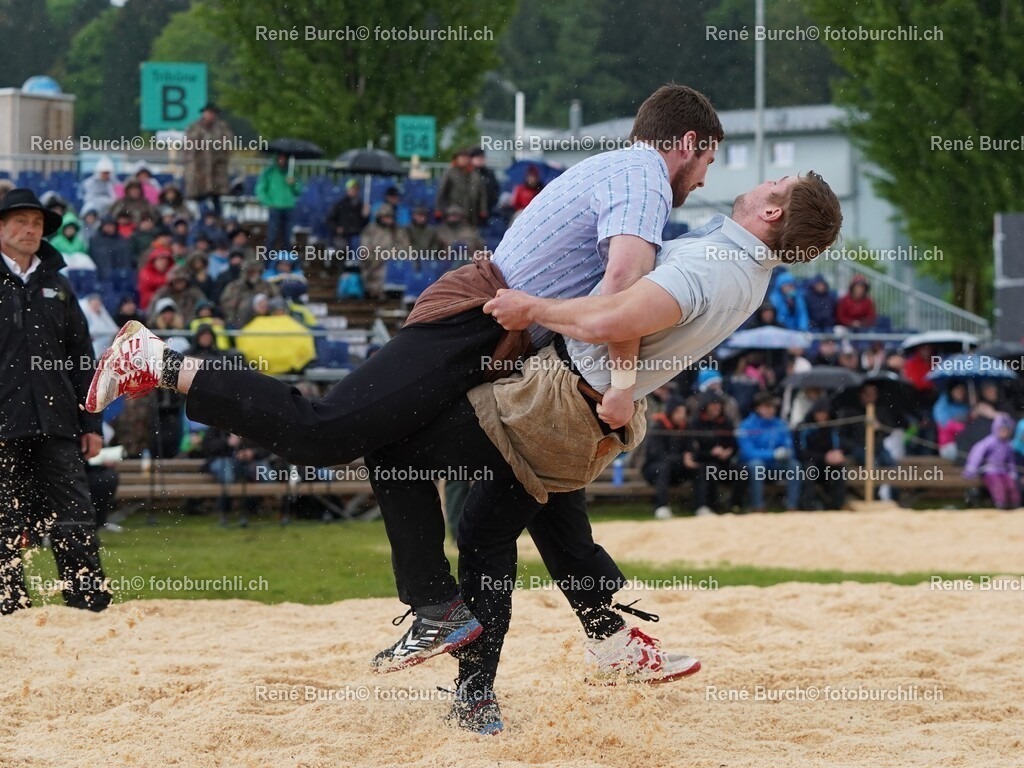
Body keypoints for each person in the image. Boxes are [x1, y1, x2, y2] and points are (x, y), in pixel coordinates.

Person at [87, 168, 842, 732]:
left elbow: (621, 310)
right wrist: (620, 382)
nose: (739, 178)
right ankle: (561, 659)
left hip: (553, 406)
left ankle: (168, 364)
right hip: (585, 416)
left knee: (383, 445)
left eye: (774, 180)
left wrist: (534, 307)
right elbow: (631, 307)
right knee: (488, 530)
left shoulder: (717, 263)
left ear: (773, 211)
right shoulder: (744, 268)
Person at [0, 189, 111, 614]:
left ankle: (88, 603)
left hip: (58, 422)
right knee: (4, 519)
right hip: (4, 424)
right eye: (21, 221)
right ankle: (9, 608)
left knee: (75, 515)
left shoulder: (58, 285)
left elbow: (84, 359)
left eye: (38, 224)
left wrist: (92, 423)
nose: (31, 230)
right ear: (2, 226)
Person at [737, 392, 802, 512]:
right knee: (757, 466)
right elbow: (748, 453)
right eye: (767, 406)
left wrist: (786, 451)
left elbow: (788, 444)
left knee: (795, 466)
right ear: (758, 408)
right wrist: (772, 454)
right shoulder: (746, 425)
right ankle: (757, 507)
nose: (771, 410)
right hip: (752, 465)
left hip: (776, 464)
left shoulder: (780, 424)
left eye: (772, 407)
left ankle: (792, 506)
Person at [685, 391, 737, 516]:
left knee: (743, 471)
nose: (717, 408)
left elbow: (733, 444)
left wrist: (728, 451)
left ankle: (735, 505)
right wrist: (710, 453)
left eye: (719, 405)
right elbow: (693, 449)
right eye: (713, 405)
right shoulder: (695, 422)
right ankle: (704, 506)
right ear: (706, 406)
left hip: (724, 462)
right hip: (703, 462)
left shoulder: (726, 422)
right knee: (709, 470)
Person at [641, 399, 694, 519]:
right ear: (671, 412)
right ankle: (661, 507)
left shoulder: (686, 427)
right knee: (663, 468)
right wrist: (682, 458)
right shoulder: (659, 426)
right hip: (653, 470)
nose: (682, 416)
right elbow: (658, 455)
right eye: (679, 412)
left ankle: (702, 506)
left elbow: (690, 449)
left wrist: (691, 457)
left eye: (684, 412)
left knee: (701, 467)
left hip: (676, 470)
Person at [797, 398, 848, 510]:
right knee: (809, 469)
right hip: (810, 463)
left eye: (824, 413)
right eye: (819, 413)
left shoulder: (833, 428)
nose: (822, 416)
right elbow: (802, 452)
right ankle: (807, 505)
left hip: (827, 465)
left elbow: (839, 446)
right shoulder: (805, 428)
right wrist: (824, 457)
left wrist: (838, 454)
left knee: (840, 468)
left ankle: (837, 505)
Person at [184, 103, 234, 215]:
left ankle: (217, 223)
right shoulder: (195, 127)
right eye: (208, 113)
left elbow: (227, 143)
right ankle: (203, 223)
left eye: (213, 113)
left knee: (216, 199)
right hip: (199, 170)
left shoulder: (222, 127)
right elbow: (190, 146)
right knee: (200, 199)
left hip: (216, 169)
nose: (210, 115)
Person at [963, 413, 1019, 510]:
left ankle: (1015, 503)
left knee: (1011, 485)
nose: (1004, 432)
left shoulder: (1008, 445)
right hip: (990, 470)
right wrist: (971, 468)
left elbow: (1011, 461)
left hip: (1003, 471)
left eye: (1007, 430)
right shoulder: (989, 442)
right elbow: (977, 455)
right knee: (998, 486)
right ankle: (1001, 503)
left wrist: (1013, 472)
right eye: (1002, 429)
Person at [359, 203, 411, 300]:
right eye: (386, 217)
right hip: (375, 266)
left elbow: (406, 249)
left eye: (390, 217)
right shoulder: (370, 231)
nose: (389, 220)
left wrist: (393, 254)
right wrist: (381, 256)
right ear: (379, 217)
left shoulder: (398, 231)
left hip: (395, 265)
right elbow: (365, 252)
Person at [255, 153, 301, 252]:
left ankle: (286, 263)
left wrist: (294, 183)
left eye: (284, 158)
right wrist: (268, 202)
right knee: (272, 237)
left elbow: (298, 191)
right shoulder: (269, 172)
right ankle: (268, 263)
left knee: (287, 238)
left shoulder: (292, 172)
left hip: (289, 207)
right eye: (280, 158)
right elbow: (260, 190)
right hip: (275, 208)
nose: (282, 160)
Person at [435, 148, 488, 227]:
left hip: (471, 210)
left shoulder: (475, 174)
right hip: (453, 209)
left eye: (466, 158)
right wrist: (438, 209)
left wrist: (483, 209)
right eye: (461, 158)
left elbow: (482, 193)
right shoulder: (450, 173)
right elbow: (441, 192)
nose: (464, 160)